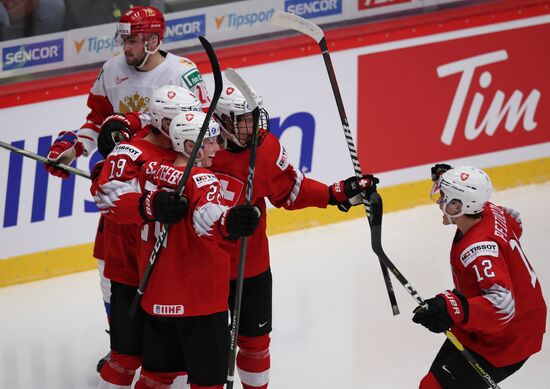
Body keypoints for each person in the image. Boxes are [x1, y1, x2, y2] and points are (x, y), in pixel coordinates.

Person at [44, 4, 209, 372]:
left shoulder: (182, 74)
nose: (125, 47)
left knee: (166, 267)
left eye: (132, 39)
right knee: (111, 267)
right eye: (123, 38)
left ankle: (172, 347)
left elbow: (193, 135)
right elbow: (95, 122)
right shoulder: (111, 69)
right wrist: (74, 148)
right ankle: (121, 341)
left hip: (162, 183)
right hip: (122, 182)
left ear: (153, 40)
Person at [210, 83, 379, 389]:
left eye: (253, 116)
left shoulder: (266, 149)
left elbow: (290, 191)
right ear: (221, 120)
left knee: (255, 343)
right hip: (203, 266)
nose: (254, 125)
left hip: (251, 265)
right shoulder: (196, 146)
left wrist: (334, 193)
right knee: (206, 348)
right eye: (244, 119)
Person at [132, 111, 261, 389]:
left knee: (154, 378)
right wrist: (231, 222)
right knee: (208, 383)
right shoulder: (203, 179)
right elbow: (207, 218)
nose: (218, 148)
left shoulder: (151, 170)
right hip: (199, 304)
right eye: (211, 141)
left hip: (157, 299)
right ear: (190, 146)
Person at [90, 85, 202, 388]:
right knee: (126, 358)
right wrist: (149, 204)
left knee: (165, 363)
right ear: (164, 122)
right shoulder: (131, 153)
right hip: (130, 268)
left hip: (167, 273)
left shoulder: (184, 149)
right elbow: (106, 198)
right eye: (182, 119)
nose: (191, 126)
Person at [412, 165, 547, 389]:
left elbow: (502, 305)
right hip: (496, 327)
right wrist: (452, 179)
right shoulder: (489, 210)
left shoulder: (479, 250)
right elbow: (515, 221)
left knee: (432, 387)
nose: (439, 202)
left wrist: (454, 307)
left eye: (445, 197)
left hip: (509, 339)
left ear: (459, 206)